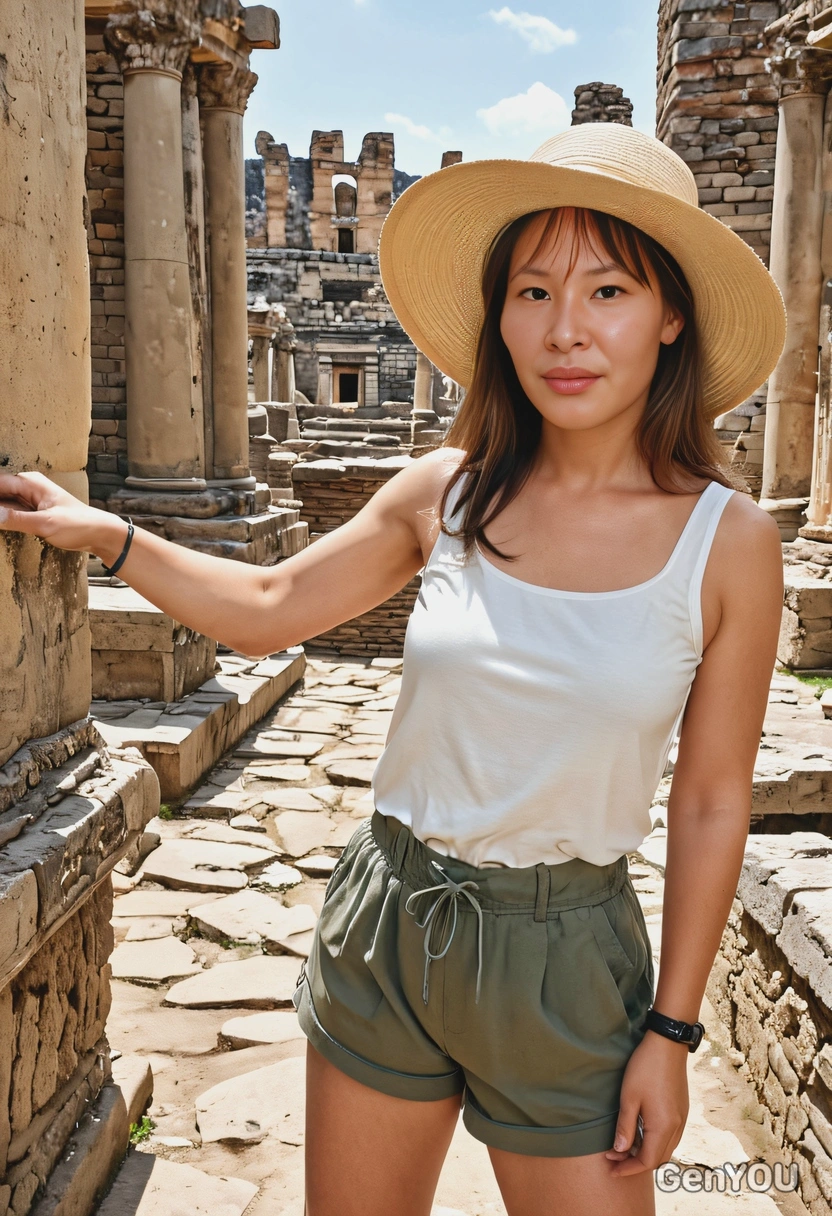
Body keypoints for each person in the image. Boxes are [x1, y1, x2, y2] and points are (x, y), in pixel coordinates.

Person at [0, 124, 785, 1215]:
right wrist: (107, 536)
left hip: (565, 963)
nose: (564, 330)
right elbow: (270, 610)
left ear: (670, 316)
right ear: (498, 313)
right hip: (390, 923)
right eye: (531, 291)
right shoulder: (445, 493)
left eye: (607, 291)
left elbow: (709, 800)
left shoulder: (729, 543)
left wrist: (671, 1028)